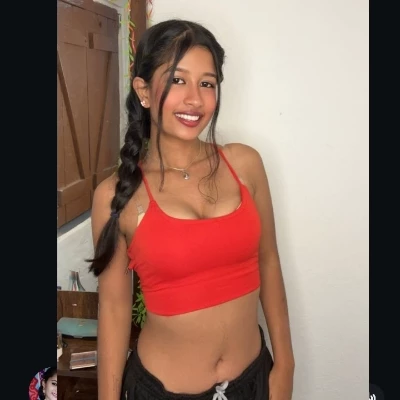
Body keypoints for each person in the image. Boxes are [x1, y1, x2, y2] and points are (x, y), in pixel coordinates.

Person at [88, 19, 295, 400]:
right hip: (162, 392)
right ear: (144, 91)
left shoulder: (245, 165)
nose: (195, 100)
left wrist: (284, 366)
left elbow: (269, 261)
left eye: (207, 84)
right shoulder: (117, 195)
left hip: (254, 380)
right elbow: (114, 309)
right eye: (178, 80)